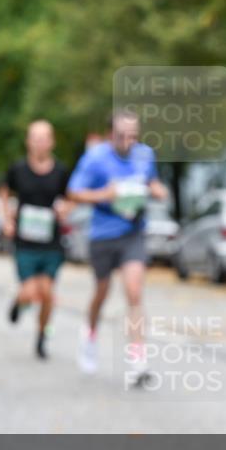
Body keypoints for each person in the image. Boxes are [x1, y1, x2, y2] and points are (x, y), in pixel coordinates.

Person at [67, 111, 168, 383]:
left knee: (134, 293)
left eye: (134, 135)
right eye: (123, 136)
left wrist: (158, 190)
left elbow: (152, 181)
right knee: (102, 292)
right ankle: (89, 335)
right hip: (102, 235)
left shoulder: (145, 154)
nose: (129, 141)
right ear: (111, 134)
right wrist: (105, 194)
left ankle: (138, 361)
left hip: (132, 233)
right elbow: (74, 192)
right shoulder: (95, 158)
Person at [0, 120, 73, 359]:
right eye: (35, 138)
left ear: (51, 142)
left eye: (44, 138)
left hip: (51, 242)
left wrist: (65, 209)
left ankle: (41, 336)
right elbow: (4, 190)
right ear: (28, 142)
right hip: (25, 241)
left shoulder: (61, 171)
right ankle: (18, 303)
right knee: (30, 292)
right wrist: (7, 218)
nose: (40, 143)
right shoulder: (18, 169)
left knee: (48, 293)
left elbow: (72, 196)